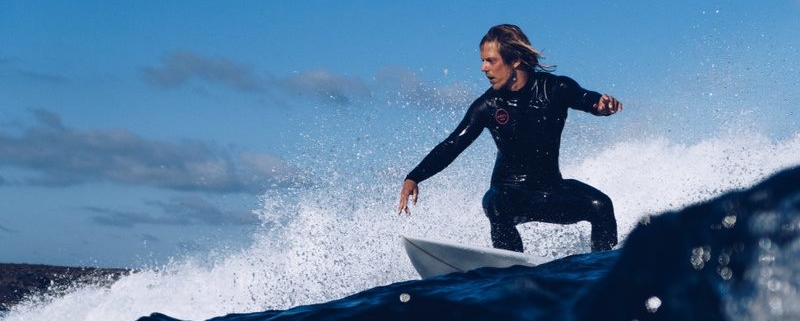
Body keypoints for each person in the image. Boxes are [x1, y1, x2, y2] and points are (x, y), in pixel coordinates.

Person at [396, 24, 622, 252]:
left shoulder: (553, 88)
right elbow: (453, 144)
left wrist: (599, 104)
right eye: (483, 60)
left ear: (514, 60)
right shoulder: (488, 105)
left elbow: (583, 97)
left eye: (490, 60)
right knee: (496, 203)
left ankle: (602, 269)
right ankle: (511, 268)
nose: (483, 68)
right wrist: (414, 176)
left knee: (601, 205)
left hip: (551, 191)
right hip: (511, 194)